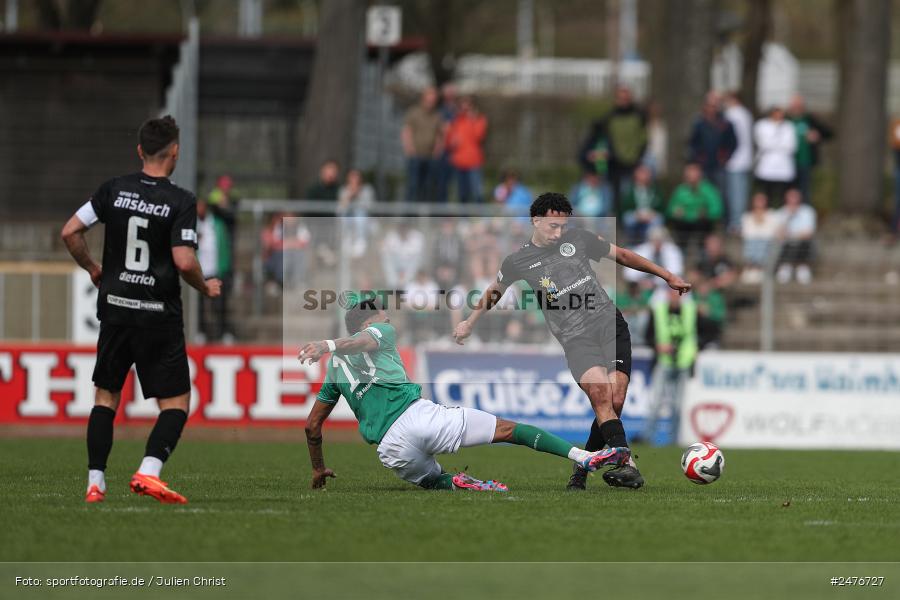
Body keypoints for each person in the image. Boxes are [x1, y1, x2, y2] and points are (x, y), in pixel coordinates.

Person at [452, 193, 691, 491]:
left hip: (609, 326)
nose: (558, 233)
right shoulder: (517, 261)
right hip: (576, 339)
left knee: (615, 400)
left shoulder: (579, 239)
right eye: (553, 226)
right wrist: (469, 322)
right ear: (535, 221)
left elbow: (624, 256)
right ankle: (627, 464)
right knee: (601, 397)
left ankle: (581, 467)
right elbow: (495, 290)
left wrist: (667, 275)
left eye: (562, 226)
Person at [297, 301, 630, 491]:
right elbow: (363, 342)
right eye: (383, 315)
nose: (388, 318)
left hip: (390, 450)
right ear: (370, 321)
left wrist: (317, 469)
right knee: (510, 430)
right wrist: (327, 345)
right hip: (416, 417)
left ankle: (456, 482)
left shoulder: (334, 373)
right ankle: (583, 457)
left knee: (433, 480)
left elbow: (313, 426)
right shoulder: (380, 331)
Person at [60, 115, 222, 504]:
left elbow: (70, 231)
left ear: (140, 150)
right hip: (157, 315)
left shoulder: (113, 190)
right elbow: (184, 261)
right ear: (175, 152)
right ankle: (149, 470)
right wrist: (205, 285)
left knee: (106, 397)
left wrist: (93, 269)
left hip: (115, 309)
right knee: (176, 403)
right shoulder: (181, 201)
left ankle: (95, 483)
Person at [645, 288, 698, 443]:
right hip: (664, 361)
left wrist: (697, 348)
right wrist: (657, 346)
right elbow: (648, 335)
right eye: (672, 293)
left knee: (677, 405)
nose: (675, 297)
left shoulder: (691, 310)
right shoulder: (658, 311)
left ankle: (673, 440)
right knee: (656, 402)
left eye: (678, 294)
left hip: (683, 362)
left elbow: (705, 330)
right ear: (667, 295)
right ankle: (648, 437)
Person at [579, 86, 647, 204]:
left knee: (629, 196)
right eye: (620, 98)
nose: (623, 101)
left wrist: (639, 158)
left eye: (626, 98)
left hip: (633, 162)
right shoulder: (610, 118)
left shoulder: (638, 116)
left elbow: (643, 140)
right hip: (614, 163)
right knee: (613, 196)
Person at [196, 199, 234, 343]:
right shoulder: (192, 224)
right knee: (200, 306)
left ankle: (223, 332)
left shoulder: (217, 224)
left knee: (220, 305)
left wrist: (224, 269)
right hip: (199, 272)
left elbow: (224, 247)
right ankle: (202, 332)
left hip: (215, 270)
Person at [666, 162, 723, 251]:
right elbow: (671, 209)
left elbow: (717, 210)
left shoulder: (708, 190)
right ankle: (681, 252)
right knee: (679, 227)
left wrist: (707, 213)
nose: (691, 176)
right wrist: (676, 212)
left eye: (693, 172)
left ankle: (702, 254)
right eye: (689, 173)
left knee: (704, 226)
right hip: (684, 223)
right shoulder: (680, 190)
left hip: (702, 224)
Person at [688, 91, 737, 196]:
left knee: (721, 194)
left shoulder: (725, 123)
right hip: (703, 166)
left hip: (719, 166)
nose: (712, 109)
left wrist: (724, 158)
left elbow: (732, 143)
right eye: (709, 105)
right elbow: (693, 143)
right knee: (703, 193)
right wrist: (698, 159)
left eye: (714, 106)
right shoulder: (699, 123)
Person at [787, 94, 832, 203]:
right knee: (789, 191)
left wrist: (817, 135)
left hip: (805, 162)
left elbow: (829, 133)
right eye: (794, 105)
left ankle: (805, 215)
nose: (797, 108)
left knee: (805, 191)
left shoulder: (809, 120)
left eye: (799, 105)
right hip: (787, 163)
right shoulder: (786, 120)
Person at [402, 87, 444, 203]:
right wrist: (409, 148)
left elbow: (439, 135)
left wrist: (437, 151)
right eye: (429, 99)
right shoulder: (414, 112)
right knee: (413, 186)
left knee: (427, 189)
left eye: (433, 100)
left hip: (430, 157)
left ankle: (424, 218)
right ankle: (408, 217)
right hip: (415, 156)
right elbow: (407, 131)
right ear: (423, 98)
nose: (431, 102)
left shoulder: (437, 116)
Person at [445, 95, 488, 204]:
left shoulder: (480, 119)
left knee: (477, 192)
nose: (464, 108)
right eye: (462, 106)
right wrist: (451, 141)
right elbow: (449, 141)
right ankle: (463, 218)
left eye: (468, 105)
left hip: (474, 161)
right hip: (459, 161)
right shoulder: (456, 121)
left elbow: (479, 136)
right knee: (462, 193)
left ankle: (481, 217)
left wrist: (472, 120)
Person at [722, 91, 754, 233]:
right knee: (741, 192)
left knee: (735, 194)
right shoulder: (746, 114)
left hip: (735, 160)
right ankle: (739, 221)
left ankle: (736, 223)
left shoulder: (732, 114)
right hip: (745, 159)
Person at [754, 106, 797, 206]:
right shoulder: (761, 125)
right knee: (766, 194)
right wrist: (780, 144)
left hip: (784, 168)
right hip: (766, 167)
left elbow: (791, 146)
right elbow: (763, 144)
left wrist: (773, 144)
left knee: (782, 196)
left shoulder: (789, 126)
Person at [775, 187, 817, 284]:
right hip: (786, 245)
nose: (793, 200)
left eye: (795, 197)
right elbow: (778, 233)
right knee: (786, 244)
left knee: (802, 243)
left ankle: (802, 267)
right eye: (791, 197)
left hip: (802, 244)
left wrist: (790, 234)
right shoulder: (781, 212)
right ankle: (786, 266)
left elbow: (808, 233)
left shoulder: (808, 211)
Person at [619, 164, 664, 244]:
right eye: (642, 172)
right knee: (628, 219)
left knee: (658, 220)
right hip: (635, 215)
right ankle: (631, 245)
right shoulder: (629, 189)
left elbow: (661, 207)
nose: (645, 175)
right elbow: (623, 209)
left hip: (650, 216)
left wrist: (651, 214)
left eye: (646, 172)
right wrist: (637, 215)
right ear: (636, 174)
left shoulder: (656, 189)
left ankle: (649, 246)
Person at [740, 192, 780, 283]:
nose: (760, 202)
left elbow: (771, 234)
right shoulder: (747, 216)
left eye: (762, 199)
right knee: (752, 242)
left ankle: (758, 268)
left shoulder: (772, 215)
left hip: (767, 244)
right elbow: (747, 234)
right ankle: (753, 267)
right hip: (752, 244)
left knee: (762, 242)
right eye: (757, 199)